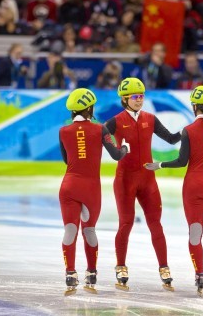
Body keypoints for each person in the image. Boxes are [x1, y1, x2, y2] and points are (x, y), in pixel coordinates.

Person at [144, 85, 203, 297]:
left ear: (194, 106)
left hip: (195, 186)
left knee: (195, 232)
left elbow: (182, 162)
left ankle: (200, 274)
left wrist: (160, 164)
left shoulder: (188, 130)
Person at [104, 77, 181, 291]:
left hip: (148, 180)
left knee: (156, 224)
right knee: (126, 223)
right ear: (125, 99)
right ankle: (120, 266)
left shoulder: (150, 118)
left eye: (142, 96)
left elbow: (172, 139)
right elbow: (101, 135)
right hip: (125, 180)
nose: (140, 100)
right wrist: (115, 151)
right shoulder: (116, 121)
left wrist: (189, 131)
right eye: (135, 97)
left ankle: (164, 267)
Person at [60, 88, 130, 295]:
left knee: (70, 230)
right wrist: (125, 147)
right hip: (91, 189)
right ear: (89, 108)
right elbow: (117, 155)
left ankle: (70, 273)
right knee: (89, 230)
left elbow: (67, 160)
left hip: (69, 186)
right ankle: (91, 273)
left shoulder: (63, 131)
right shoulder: (101, 130)